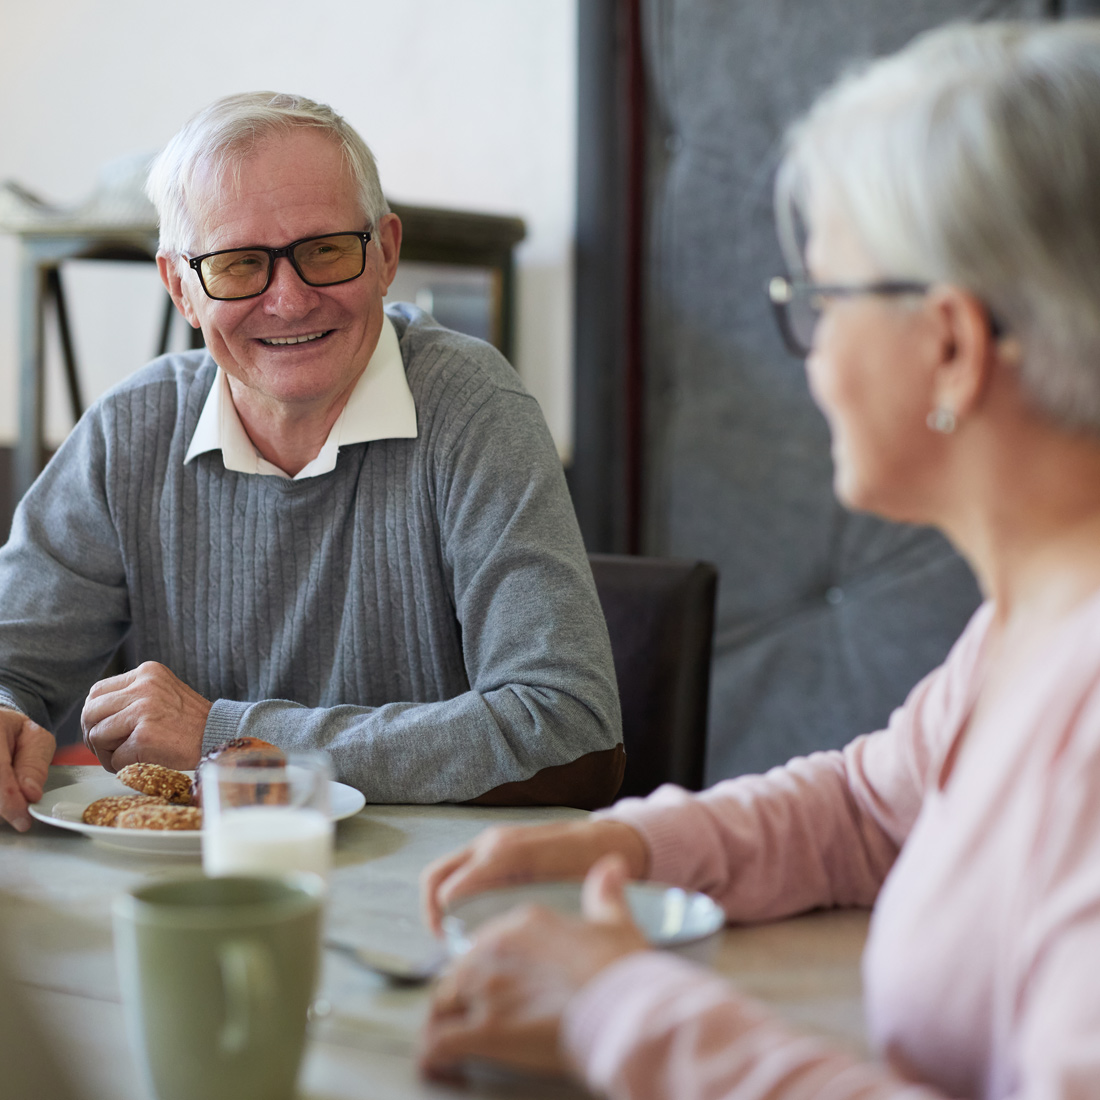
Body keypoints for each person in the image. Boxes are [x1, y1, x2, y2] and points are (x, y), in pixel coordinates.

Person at [419, 21, 1100, 1099]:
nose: (812, 354)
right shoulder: (1025, 626)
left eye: (823, 301)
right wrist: (621, 848)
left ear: (952, 346)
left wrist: (621, 1010)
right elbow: (869, 809)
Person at [0, 92, 624, 832]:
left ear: (386, 252)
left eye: (325, 250)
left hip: (428, 893)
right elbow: (12, 662)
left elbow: (571, 737)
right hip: (193, 892)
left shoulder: (473, 410)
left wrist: (229, 738)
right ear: (181, 289)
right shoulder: (130, 432)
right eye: (238, 265)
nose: (290, 301)